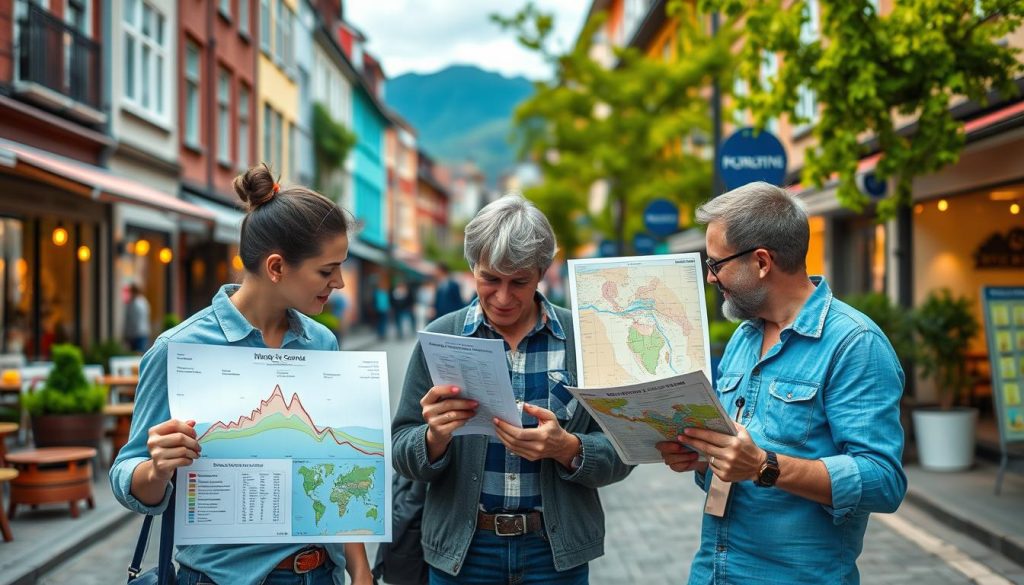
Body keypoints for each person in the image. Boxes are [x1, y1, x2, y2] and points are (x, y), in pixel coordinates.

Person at [110, 164, 373, 585]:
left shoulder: (322, 344)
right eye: (327, 270)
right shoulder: (178, 349)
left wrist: (360, 569)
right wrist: (157, 469)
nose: (339, 282)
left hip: (321, 575)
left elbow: (337, 466)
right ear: (275, 267)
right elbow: (127, 475)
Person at [655, 182, 907, 585]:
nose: (709, 276)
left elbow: (883, 481)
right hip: (713, 572)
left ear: (761, 262)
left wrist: (763, 465)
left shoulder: (855, 344)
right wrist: (703, 457)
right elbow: (734, 461)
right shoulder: (744, 335)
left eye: (716, 263)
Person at [392, 194, 632, 585]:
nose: (502, 297)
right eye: (490, 279)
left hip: (554, 555)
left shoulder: (586, 337)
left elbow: (623, 451)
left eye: (518, 282)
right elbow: (401, 450)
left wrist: (567, 449)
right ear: (473, 269)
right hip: (463, 554)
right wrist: (434, 437)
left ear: (541, 273)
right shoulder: (440, 338)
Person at [123, 283, 151, 352]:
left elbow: (131, 320)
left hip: (135, 334)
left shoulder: (134, 303)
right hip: (142, 332)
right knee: (140, 354)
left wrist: (126, 334)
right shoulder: (144, 301)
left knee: (137, 355)